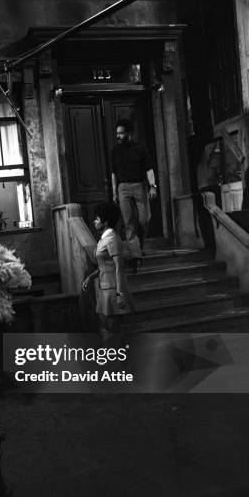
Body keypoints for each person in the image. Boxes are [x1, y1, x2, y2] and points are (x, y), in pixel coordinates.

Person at [82, 202, 135, 342]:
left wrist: (119, 294)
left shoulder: (112, 239)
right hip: (104, 288)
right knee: (107, 329)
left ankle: (116, 359)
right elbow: (104, 266)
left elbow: (119, 268)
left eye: (97, 219)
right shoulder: (104, 238)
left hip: (113, 290)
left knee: (113, 331)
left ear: (105, 222)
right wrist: (91, 277)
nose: (94, 221)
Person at [111, 119, 157, 273]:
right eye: (117, 133)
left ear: (129, 133)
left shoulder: (141, 149)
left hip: (139, 186)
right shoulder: (115, 151)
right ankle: (136, 256)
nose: (118, 136)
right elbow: (113, 173)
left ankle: (138, 246)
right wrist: (114, 191)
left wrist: (153, 186)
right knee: (129, 223)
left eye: (121, 133)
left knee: (145, 219)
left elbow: (149, 169)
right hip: (123, 188)